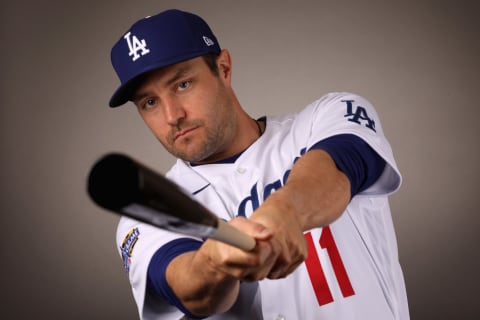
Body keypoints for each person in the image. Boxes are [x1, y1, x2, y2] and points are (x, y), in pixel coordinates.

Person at [108, 9, 409, 320]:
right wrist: (215, 260)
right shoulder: (151, 209)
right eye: (150, 102)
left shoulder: (326, 118)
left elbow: (336, 171)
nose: (172, 115)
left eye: (182, 84)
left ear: (223, 68)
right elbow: (188, 286)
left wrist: (283, 212)